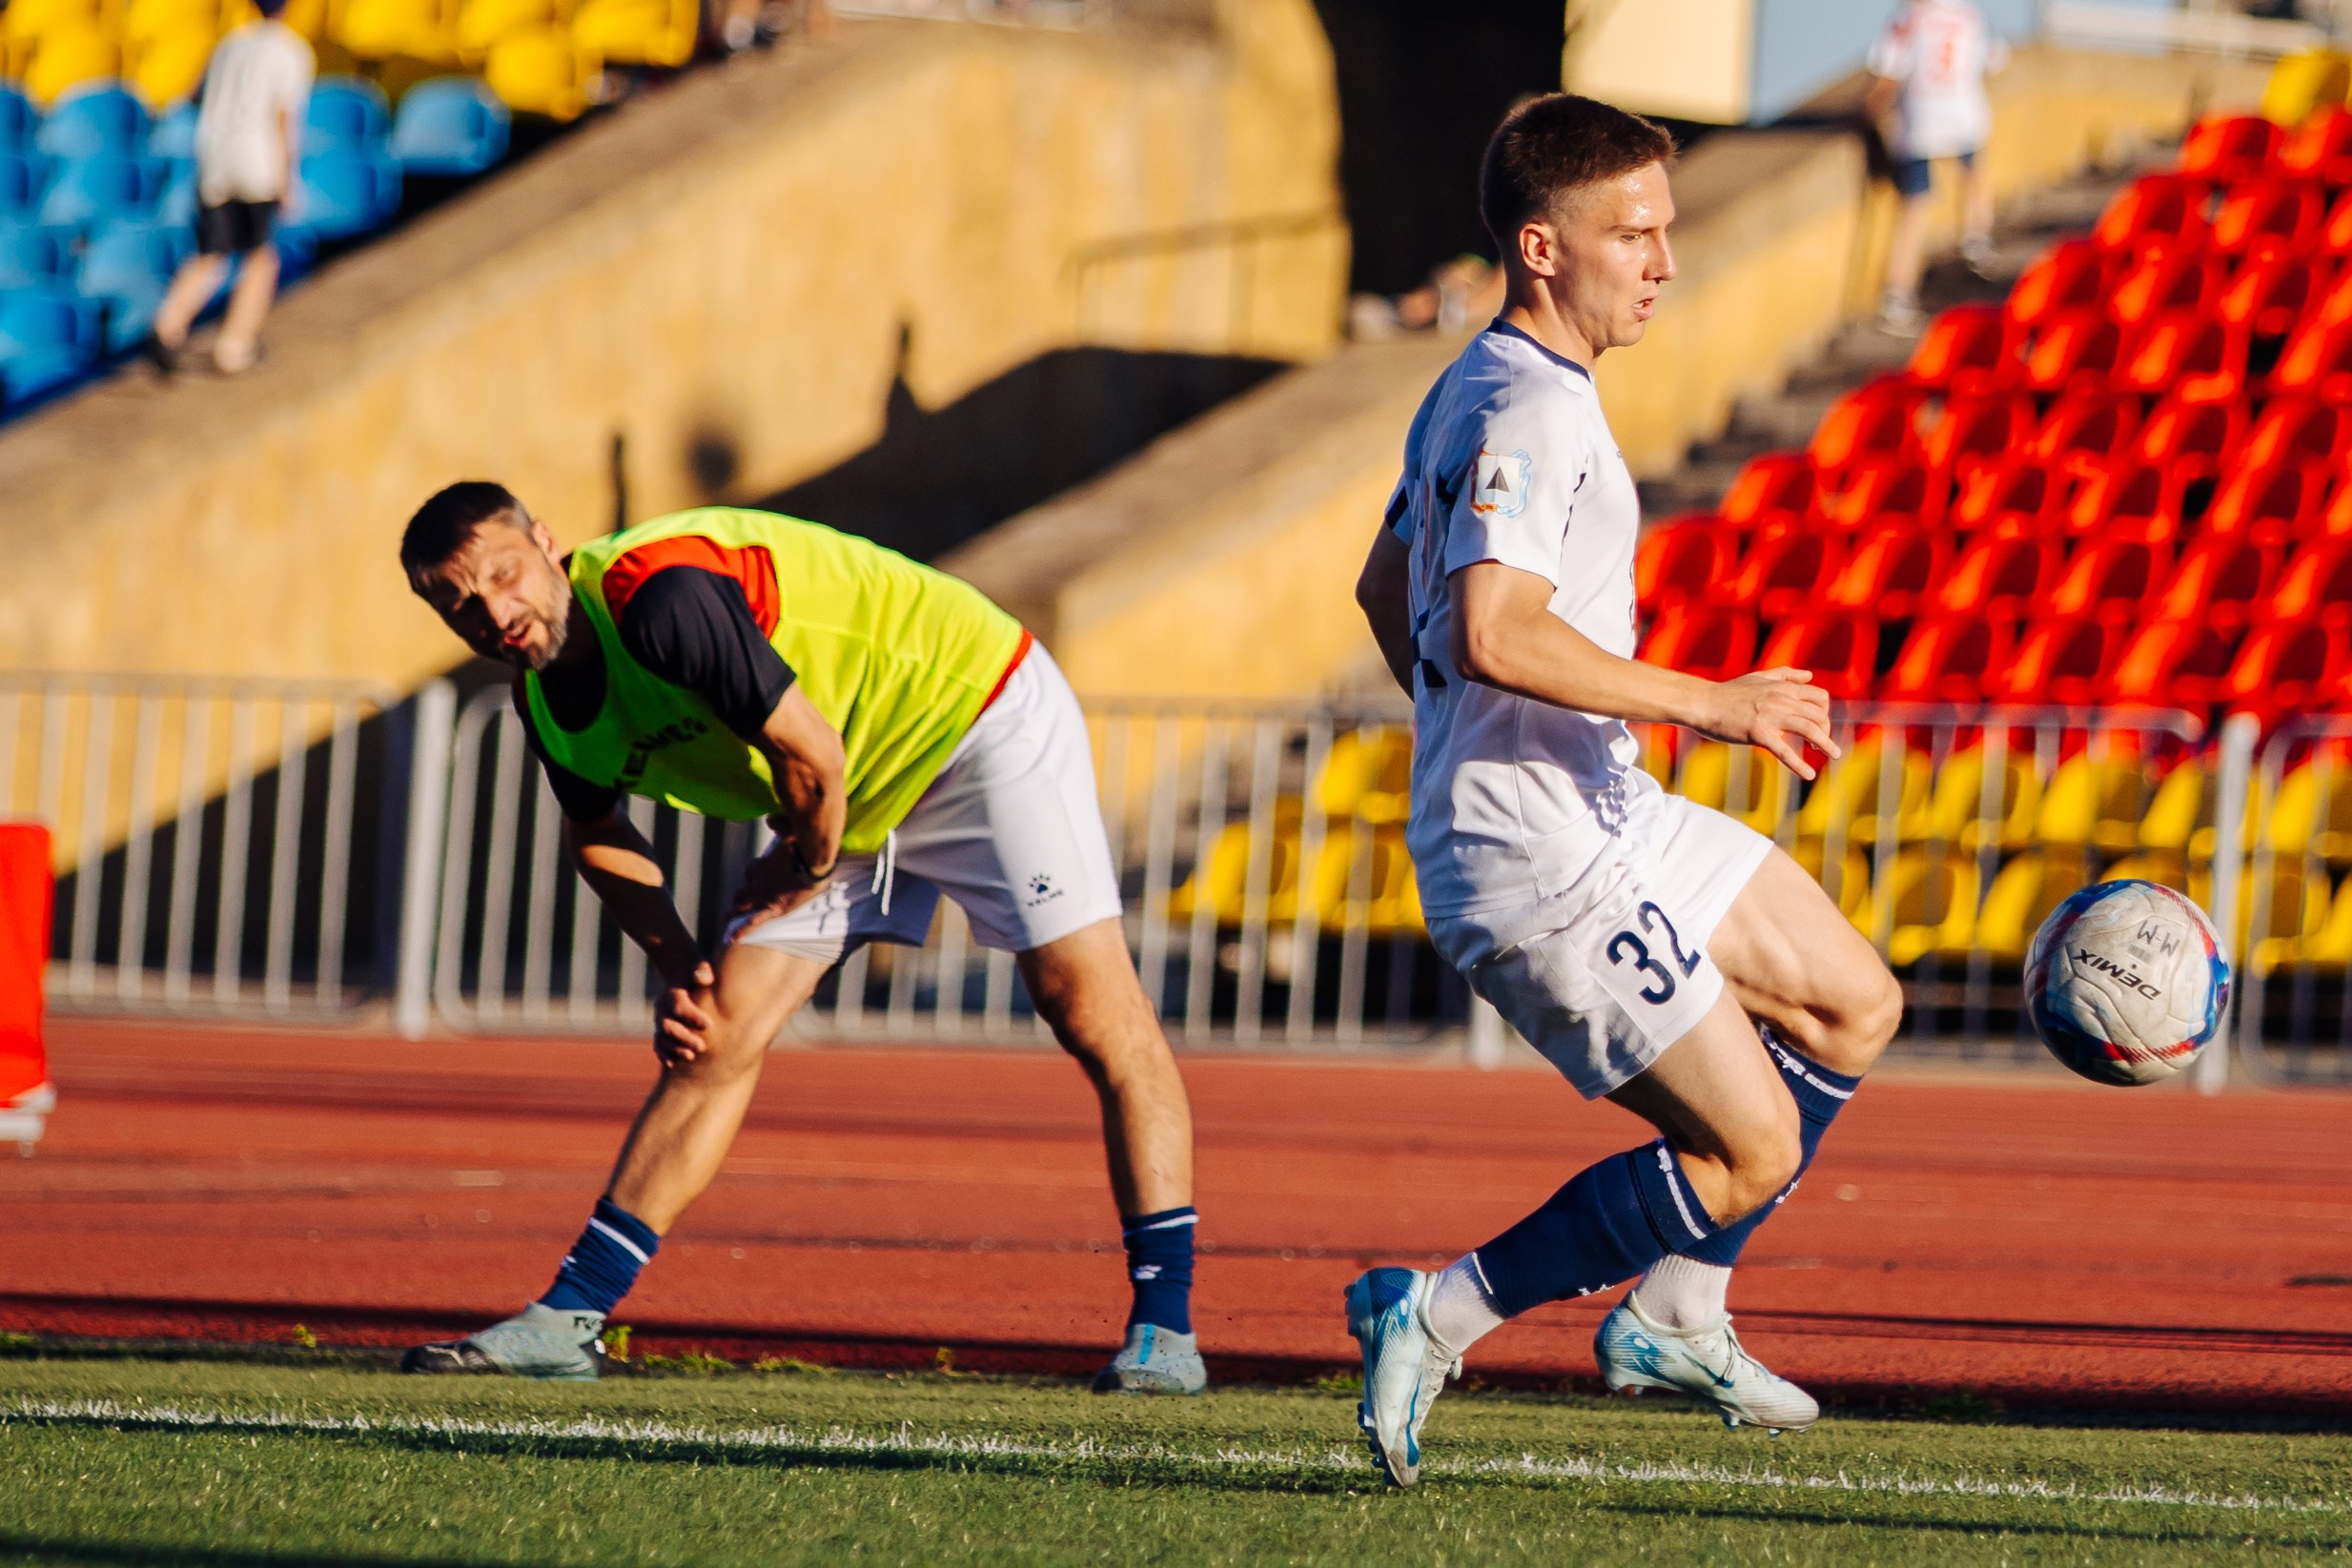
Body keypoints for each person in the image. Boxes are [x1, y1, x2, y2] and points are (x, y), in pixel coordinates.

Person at [1345, 94, 1903, 1487]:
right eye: (1632, 234)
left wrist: (1461, 735)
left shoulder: (1487, 384)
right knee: (1750, 1146)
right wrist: (1713, 704)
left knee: (1852, 999)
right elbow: (1491, 628)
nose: (1662, 261)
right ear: (1541, 247)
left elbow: (1383, 586)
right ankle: (1435, 1313)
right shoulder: (1525, 407)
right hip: (1536, 857)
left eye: (1665, 230)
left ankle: (1678, 1311)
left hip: (1601, 808)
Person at [396, 488, 1206, 1395]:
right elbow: (598, 833)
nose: (495, 611)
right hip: (834, 786)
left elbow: (812, 758)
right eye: (460, 604)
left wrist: (801, 867)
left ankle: (1165, 1333)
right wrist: (679, 966)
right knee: (714, 1034)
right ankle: (566, 1319)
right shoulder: (545, 703)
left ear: (548, 543)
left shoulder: (659, 598)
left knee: (1090, 1007)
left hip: (971, 717)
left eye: (504, 574)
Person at [145, 0, 314, 377]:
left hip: (215, 158)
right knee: (261, 256)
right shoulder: (290, 50)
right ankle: (234, 345)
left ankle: (168, 325)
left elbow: (193, 95)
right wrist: (288, 178)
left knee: (212, 253)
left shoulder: (229, 45)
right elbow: (283, 117)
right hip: (257, 163)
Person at [1866, 0, 2008, 336]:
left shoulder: (1907, 19)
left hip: (1919, 121)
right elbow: (1993, 60)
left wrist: (1868, 113)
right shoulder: (1969, 15)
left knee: (1915, 206)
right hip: (1964, 115)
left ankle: (1897, 294)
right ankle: (1976, 239)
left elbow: (1888, 73)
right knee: (1975, 172)